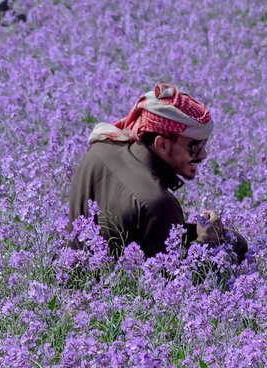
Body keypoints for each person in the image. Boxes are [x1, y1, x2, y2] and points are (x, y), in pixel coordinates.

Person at [67, 84, 247, 263]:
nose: (203, 155)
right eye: (195, 147)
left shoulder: (101, 148)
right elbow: (174, 275)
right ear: (162, 144)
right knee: (233, 246)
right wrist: (208, 238)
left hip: (77, 262)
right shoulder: (159, 204)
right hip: (111, 276)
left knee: (229, 238)